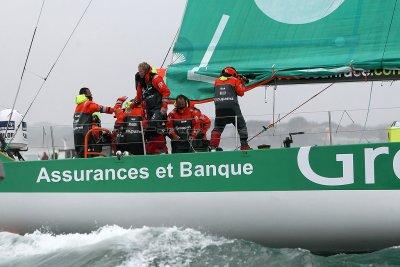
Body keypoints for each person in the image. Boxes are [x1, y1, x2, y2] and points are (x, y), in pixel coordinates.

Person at [132, 62, 170, 154]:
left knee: (152, 127)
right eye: (139, 71)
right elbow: (139, 98)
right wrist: (130, 106)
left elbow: (166, 92)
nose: (139, 73)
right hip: (149, 111)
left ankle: (161, 149)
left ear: (146, 70)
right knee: (148, 130)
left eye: (141, 71)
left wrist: (164, 107)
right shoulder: (141, 83)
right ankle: (153, 150)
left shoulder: (156, 78)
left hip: (158, 108)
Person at [210, 67, 251, 151]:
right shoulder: (234, 80)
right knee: (241, 126)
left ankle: (212, 147)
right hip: (232, 108)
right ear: (234, 74)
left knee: (217, 127)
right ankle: (244, 146)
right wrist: (241, 82)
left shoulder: (216, 81)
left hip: (219, 109)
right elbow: (241, 92)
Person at [73, 87, 114, 158]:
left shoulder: (78, 106)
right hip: (85, 134)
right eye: (89, 92)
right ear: (85, 94)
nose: (91, 94)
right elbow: (100, 108)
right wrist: (113, 110)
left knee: (80, 154)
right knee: (88, 153)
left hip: (76, 134)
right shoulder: (87, 104)